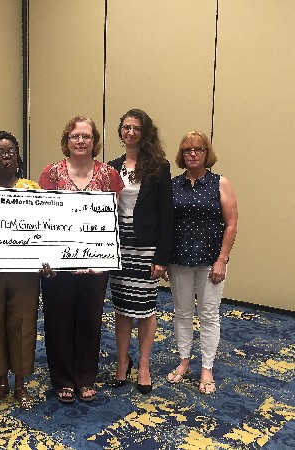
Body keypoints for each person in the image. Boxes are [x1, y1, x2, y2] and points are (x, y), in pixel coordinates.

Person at [39, 115, 124, 404]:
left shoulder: (109, 175)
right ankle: (63, 378)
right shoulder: (51, 173)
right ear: (67, 140)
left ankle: (86, 376)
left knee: (90, 319)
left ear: (94, 141)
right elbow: (41, 218)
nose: (80, 140)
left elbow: (116, 217)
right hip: (59, 265)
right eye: (75, 135)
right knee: (58, 319)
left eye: (86, 136)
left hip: (95, 264)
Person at [166, 131, 238, 395]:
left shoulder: (221, 183)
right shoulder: (173, 185)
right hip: (179, 260)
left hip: (211, 261)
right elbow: (166, 224)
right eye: (187, 150)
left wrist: (222, 259)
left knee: (208, 315)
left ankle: (207, 367)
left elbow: (231, 225)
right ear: (182, 155)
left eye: (198, 150)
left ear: (207, 154)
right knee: (182, 313)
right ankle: (184, 361)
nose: (193, 154)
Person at [108, 108, 173, 395]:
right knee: (121, 308)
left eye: (136, 128)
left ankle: (144, 365)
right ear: (120, 131)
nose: (130, 132)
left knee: (145, 309)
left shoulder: (159, 166)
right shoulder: (112, 166)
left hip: (146, 247)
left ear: (144, 132)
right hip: (118, 247)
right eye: (126, 127)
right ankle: (123, 362)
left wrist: (162, 256)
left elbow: (167, 214)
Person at [0, 131, 41, 410]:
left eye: (12, 151)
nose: (6, 157)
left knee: (23, 326)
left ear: (18, 157)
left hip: (25, 273)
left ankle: (20, 384)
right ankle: (1, 381)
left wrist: (48, 259)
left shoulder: (32, 189)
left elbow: (46, 229)